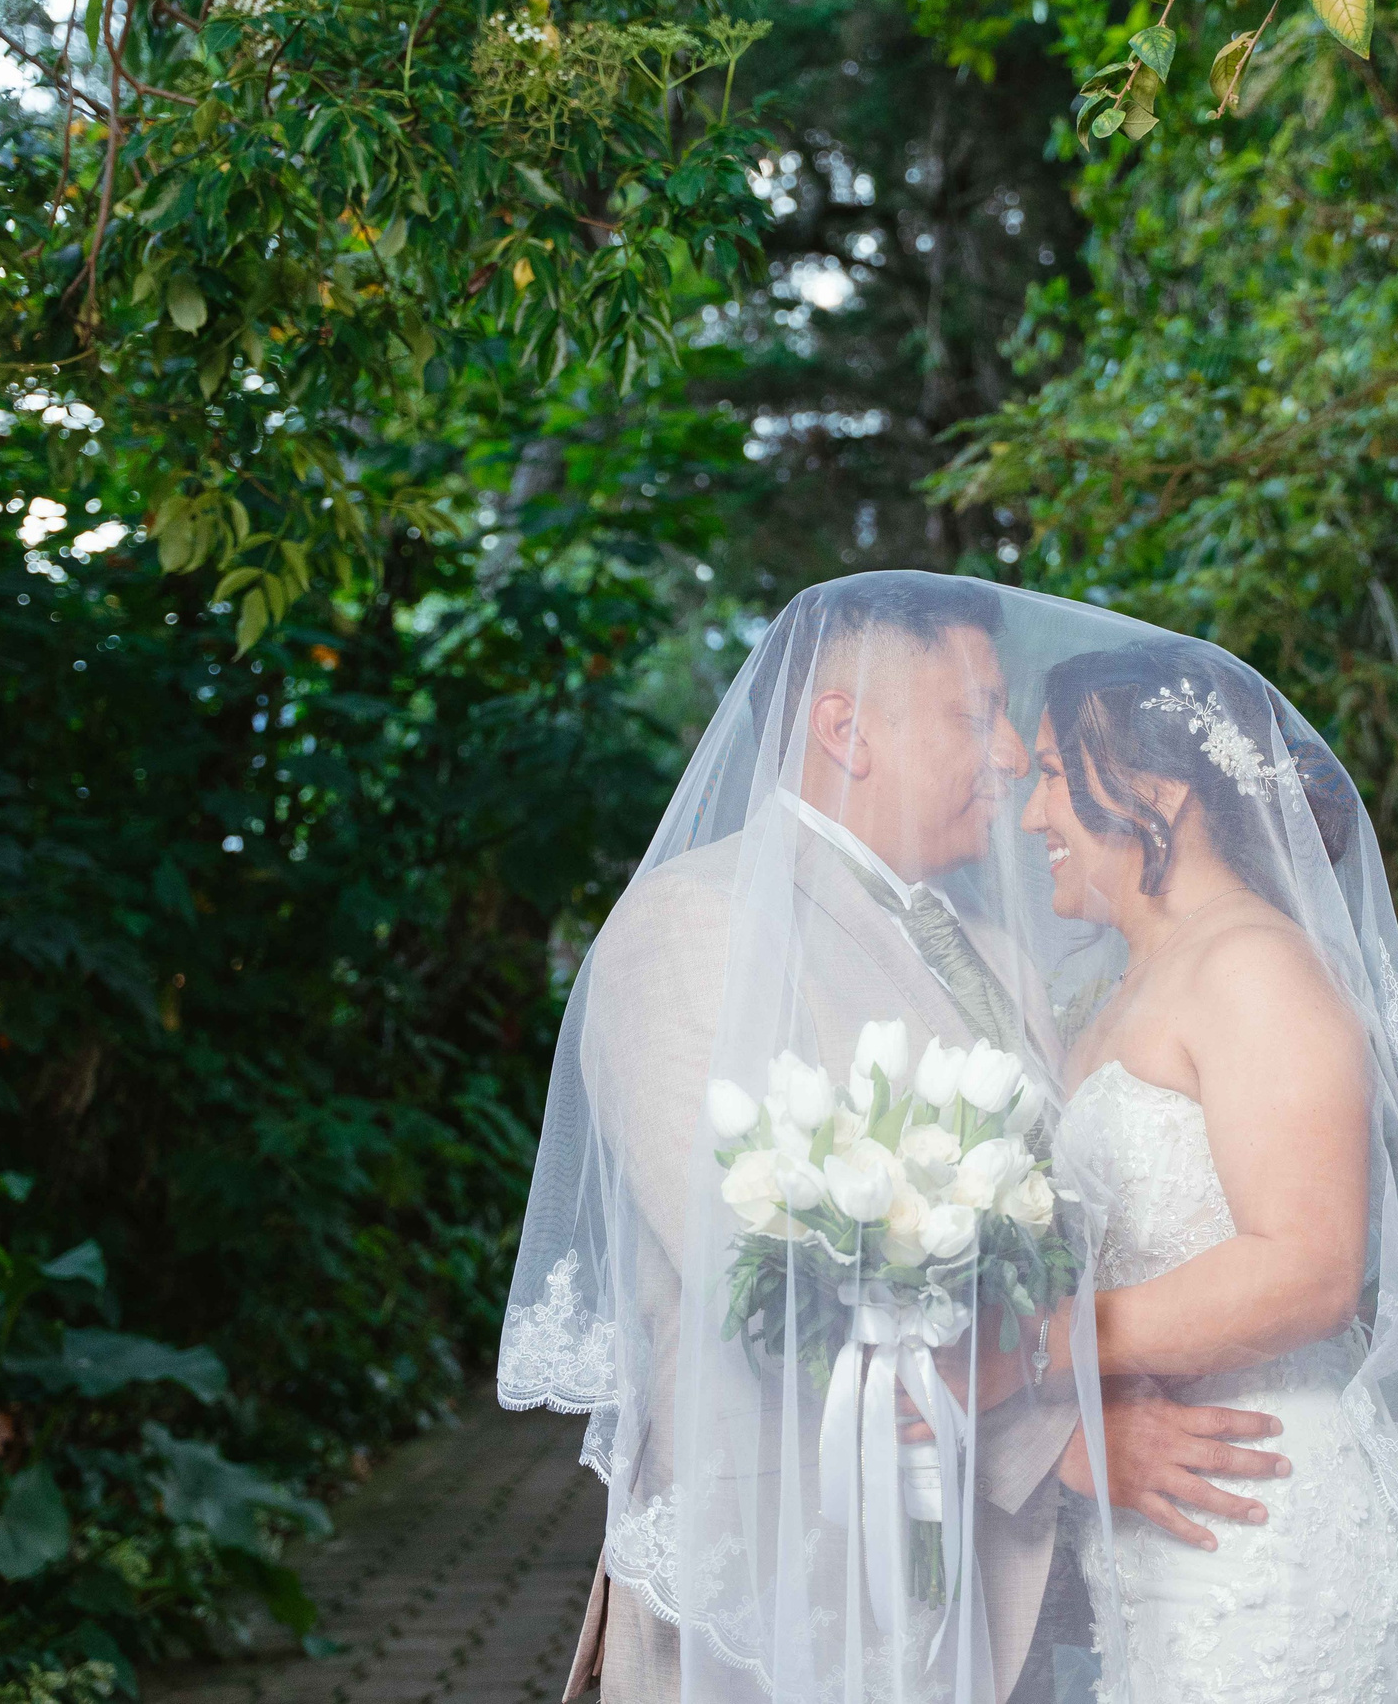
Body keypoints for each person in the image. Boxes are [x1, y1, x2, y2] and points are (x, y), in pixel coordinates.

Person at [498, 574, 1304, 1704]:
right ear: (846, 728)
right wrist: (1061, 1441)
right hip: (793, 1585)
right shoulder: (698, 926)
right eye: (976, 712)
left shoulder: (992, 943)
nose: (1016, 753)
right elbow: (757, 1276)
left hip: (989, 1592)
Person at [1012, 640, 1398, 1704]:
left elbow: (1306, 1267)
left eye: (1049, 775)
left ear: (1155, 789)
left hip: (1258, 1507)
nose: (1030, 818)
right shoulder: (1121, 985)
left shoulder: (1254, 966)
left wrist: (1039, 1350)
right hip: (1157, 1509)